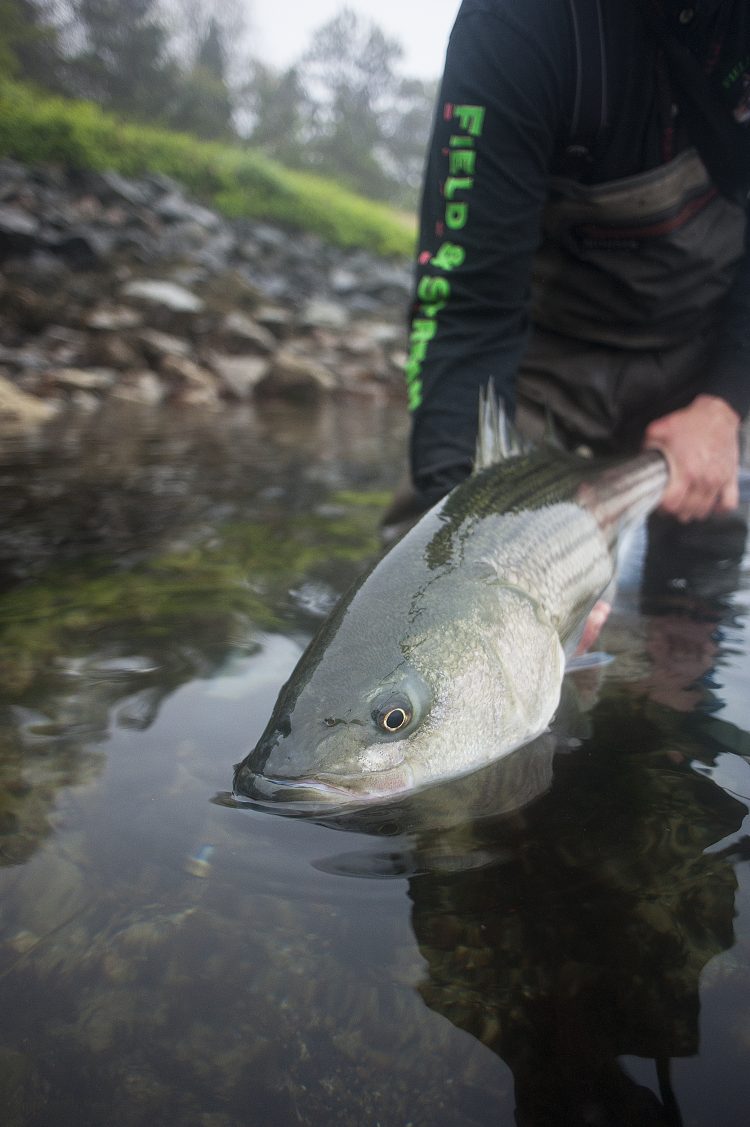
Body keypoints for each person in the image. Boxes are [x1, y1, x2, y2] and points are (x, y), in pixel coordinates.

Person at [387, 0, 750, 544]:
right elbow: (466, 307)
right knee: (424, 547)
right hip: (547, 355)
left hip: (711, 344)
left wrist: (726, 402)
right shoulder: (517, 21)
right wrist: (460, 531)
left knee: (704, 569)